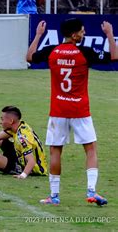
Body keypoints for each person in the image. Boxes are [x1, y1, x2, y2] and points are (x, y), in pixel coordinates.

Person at [27, 18, 116, 206]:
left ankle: (54, 195)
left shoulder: (52, 51)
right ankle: (91, 191)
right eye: (82, 32)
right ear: (74, 35)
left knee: (55, 151)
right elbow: (114, 57)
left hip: (58, 110)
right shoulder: (84, 53)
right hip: (80, 110)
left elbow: (29, 57)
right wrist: (109, 34)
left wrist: (37, 35)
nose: (83, 34)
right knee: (90, 149)